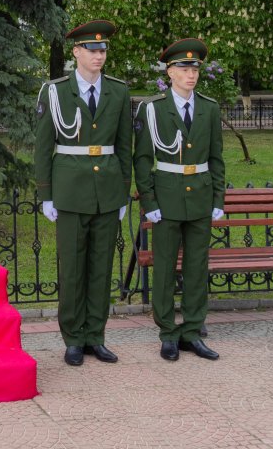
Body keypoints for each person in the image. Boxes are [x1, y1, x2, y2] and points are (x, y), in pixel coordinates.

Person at [34, 20, 132, 367]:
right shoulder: (55, 91)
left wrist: (122, 193)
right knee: (73, 268)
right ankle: (73, 338)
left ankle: (96, 336)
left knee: (101, 267)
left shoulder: (118, 91)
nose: (98, 55)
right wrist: (46, 194)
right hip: (70, 191)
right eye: (92, 49)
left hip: (106, 190)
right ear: (76, 52)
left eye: (103, 50)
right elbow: (44, 146)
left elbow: (124, 147)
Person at [133, 38, 225, 362]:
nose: (191, 74)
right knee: (165, 269)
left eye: (195, 68)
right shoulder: (154, 109)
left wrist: (218, 197)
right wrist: (150, 201)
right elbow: (142, 159)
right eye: (184, 68)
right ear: (170, 71)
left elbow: (216, 159)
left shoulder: (210, 109)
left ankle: (192, 331)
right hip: (168, 197)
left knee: (198, 268)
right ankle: (168, 333)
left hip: (199, 197)